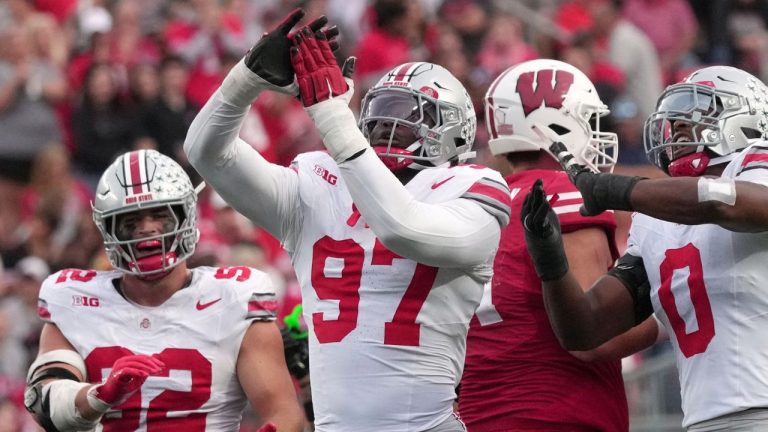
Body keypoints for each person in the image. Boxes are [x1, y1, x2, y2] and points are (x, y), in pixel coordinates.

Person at [184, 8, 511, 432]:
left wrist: (330, 115)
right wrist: (247, 80)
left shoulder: (470, 186)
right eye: (380, 111)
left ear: (455, 130)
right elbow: (207, 154)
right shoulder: (321, 183)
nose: (386, 125)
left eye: (412, 115)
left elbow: (402, 227)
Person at [521, 65, 768, 431]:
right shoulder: (656, 219)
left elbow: (726, 202)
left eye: (701, 110)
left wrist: (621, 190)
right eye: (676, 117)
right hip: (705, 420)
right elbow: (584, 329)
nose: (680, 125)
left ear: (748, 117)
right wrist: (551, 260)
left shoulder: (753, 170)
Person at [23, 149, 303, 432]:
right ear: (109, 230)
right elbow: (42, 402)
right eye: (131, 221)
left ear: (186, 215)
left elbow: (282, 413)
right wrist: (99, 396)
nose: (147, 229)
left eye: (161, 216)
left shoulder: (234, 298)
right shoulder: (74, 300)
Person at [458, 59, 659, 431]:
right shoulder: (561, 192)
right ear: (555, 125)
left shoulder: (478, 201)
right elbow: (595, 337)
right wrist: (676, 308)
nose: (597, 134)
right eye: (589, 121)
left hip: (477, 415)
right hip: (557, 412)